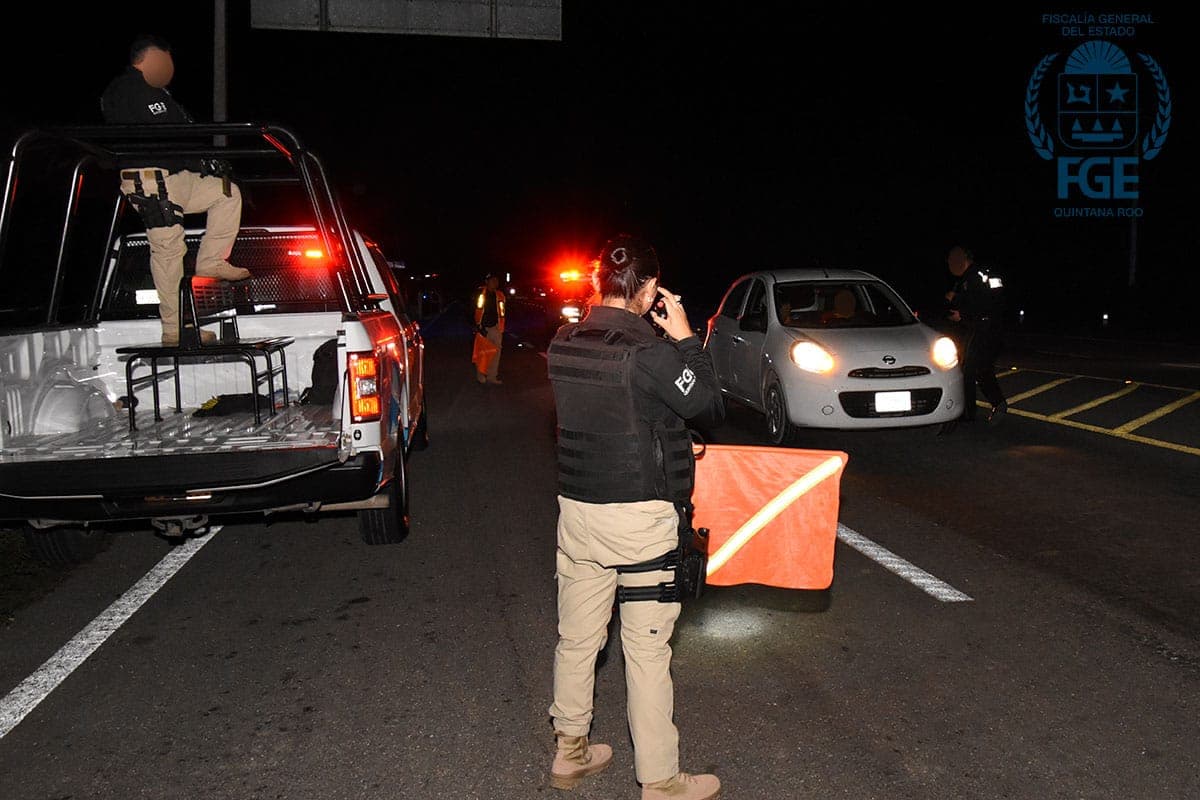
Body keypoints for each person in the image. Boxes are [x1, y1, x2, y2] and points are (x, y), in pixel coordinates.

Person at [545, 234, 725, 800]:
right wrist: (688, 339)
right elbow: (709, 406)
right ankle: (661, 780)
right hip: (640, 521)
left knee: (578, 637)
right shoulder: (651, 355)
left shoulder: (562, 342)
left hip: (578, 515)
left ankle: (570, 752)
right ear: (649, 290)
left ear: (599, 283)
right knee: (646, 651)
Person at [101, 35, 250, 345]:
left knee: (227, 192)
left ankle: (211, 261)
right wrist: (197, 158)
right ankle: (175, 329)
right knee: (169, 250)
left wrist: (207, 163)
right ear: (144, 59)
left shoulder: (157, 91)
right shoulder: (128, 89)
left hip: (179, 176)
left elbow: (180, 133)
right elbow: (164, 134)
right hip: (151, 178)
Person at [945, 244, 1008, 424]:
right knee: (982, 369)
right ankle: (998, 404)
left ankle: (968, 412)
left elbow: (983, 303)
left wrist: (959, 307)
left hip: (983, 328)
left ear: (964, 258)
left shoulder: (974, 276)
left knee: (968, 370)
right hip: (987, 328)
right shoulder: (976, 275)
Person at [473, 272, 506, 384]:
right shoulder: (480, 294)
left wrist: (500, 327)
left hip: (496, 327)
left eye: (496, 280)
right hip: (483, 327)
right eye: (492, 280)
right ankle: (481, 375)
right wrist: (477, 326)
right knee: (483, 353)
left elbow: (502, 312)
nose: (495, 283)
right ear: (486, 282)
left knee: (496, 353)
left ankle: (492, 376)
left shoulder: (500, 295)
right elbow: (472, 310)